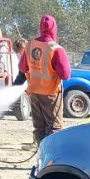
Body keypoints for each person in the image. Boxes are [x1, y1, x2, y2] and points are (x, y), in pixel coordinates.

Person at [19, 15, 71, 145]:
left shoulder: (30, 45)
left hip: (34, 93)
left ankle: (40, 155)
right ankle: (51, 160)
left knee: (39, 128)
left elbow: (22, 67)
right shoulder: (56, 49)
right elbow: (65, 75)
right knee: (54, 128)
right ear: (54, 29)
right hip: (51, 94)